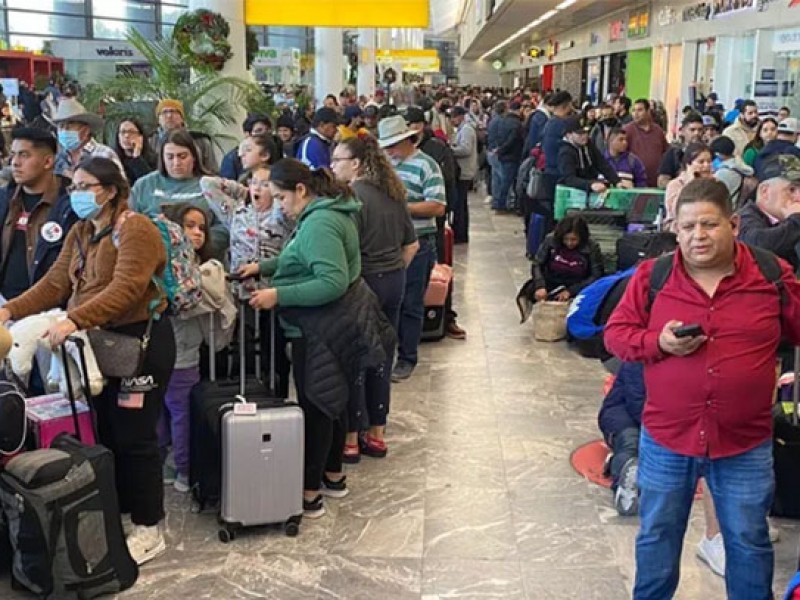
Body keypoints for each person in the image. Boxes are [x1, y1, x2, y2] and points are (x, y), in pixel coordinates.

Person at [605, 177, 800, 599]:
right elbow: (617, 335)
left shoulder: (771, 276)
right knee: (657, 538)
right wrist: (658, 342)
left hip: (744, 442)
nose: (698, 236)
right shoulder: (652, 277)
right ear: (675, 228)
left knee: (749, 541)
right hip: (668, 437)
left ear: (733, 223)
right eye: (688, 226)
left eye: (709, 225)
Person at [0, 157, 176, 566]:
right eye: (74, 186)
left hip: (139, 345)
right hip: (96, 343)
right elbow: (57, 282)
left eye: (86, 185)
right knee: (107, 433)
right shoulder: (81, 231)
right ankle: (123, 514)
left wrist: (74, 318)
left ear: (111, 189)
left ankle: (150, 526)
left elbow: (128, 287)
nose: (77, 193)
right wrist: (11, 312)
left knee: (136, 438)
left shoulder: (136, 229)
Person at [240, 159, 394, 519]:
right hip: (338, 325)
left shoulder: (320, 222)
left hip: (322, 328)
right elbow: (302, 258)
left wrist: (278, 295)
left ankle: (309, 494)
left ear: (301, 191)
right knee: (334, 401)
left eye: (280, 197)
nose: (279, 205)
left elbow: (331, 281)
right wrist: (263, 268)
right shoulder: (327, 213)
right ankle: (333, 475)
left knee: (318, 406)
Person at [330, 135, 418, 463]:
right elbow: (412, 245)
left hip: (363, 284)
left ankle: (351, 439)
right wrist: (393, 271)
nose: (332, 166)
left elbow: (346, 252)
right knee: (382, 358)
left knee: (355, 360)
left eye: (338, 160)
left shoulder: (352, 198)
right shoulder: (394, 195)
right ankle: (377, 434)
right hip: (394, 281)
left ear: (356, 163)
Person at [379, 115, 446, 381]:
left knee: (411, 302)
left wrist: (400, 209)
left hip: (419, 243)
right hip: (388, 243)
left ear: (407, 140)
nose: (390, 151)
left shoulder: (426, 166)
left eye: (393, 145)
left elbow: (438, 206)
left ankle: (407, 357)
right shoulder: (386, 166)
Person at [158, 203, 216, 493]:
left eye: (201, 227)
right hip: (179, 348)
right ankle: (184, 468)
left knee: (168, 407)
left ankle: (172, 462)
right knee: (180, 410)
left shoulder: (191, 263)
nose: (196, 232)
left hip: (176, 345)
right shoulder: (181, 266)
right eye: (189, 225)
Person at [0, 128, 76, 305]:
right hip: (4, 301)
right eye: (13, 155)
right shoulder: (5, 198)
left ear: (48, 161)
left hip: (47, 308)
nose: (15, 163)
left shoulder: (69, 205)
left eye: (24, 155)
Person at [130, 129, 228, 260]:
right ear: (162, 158)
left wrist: (200, 242)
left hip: (202, 259)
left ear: (194, 156)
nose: (176, 163)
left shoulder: (212, 184)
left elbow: (226, 226)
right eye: (170, 157)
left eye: (182, 156)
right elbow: (130, 222)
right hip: (154, 257)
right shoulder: (144, 184)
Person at [515, 214, 603, 322]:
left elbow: (596, 275)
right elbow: (537, 264)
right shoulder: (550, 240)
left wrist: (571, 291)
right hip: (553, 281)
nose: (569, 243)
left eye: (574, 240)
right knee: (530, 289)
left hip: (578, 283)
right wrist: (540, 285)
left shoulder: (592, 246)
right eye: (566, 239)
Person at [737, 154, 800, 269]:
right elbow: (758, 246)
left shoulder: (782, 220)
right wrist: (796, 220)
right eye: (791, 189)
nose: (798, 197)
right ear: (765, 191)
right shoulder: (745, 218)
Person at [52, 98, 123, 179]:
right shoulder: (57, 160)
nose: (64, 132)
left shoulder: (104, 154)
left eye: (69, 127)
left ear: (85, 130)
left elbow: (121, 189)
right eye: (60, 127)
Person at [149, 98, 217, 173]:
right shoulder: (149, 141)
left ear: (182, 117)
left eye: (174, 111)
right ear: (158, 119)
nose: (169, 115)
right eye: (164, 112)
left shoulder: (200, 140)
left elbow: (212, 170)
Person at [557, 117, 622, 193]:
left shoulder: (588, 145)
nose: (584, 136)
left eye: (585, 132)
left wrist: (617, 181)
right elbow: (569, 179)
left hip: (589, 188)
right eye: (580, 134)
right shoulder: (565, 153)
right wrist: (590, 185)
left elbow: (602, 164)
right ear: (569, 135)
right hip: (571, 193)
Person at [664, 143, 714, 229]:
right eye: (701, 162)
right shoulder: (676, 184)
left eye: (709, 161)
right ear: (689, 164)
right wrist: (691, 182)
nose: (706, 165)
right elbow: (675, 210)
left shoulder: (715, 183)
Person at [622, 99, 669, 188]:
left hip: (655, 181)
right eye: (633, 110)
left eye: (640, 110)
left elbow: (665, 152)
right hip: (636, 182)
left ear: (648, 111)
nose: (636, 113)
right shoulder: (627, 130)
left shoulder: (657, 130)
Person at [449, 105, 477, 243]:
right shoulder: (462, 129)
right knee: (460, 203)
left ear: (460, 116)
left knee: (460, 204)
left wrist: (450, 149)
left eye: (453, 117)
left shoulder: (466, 130)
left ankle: (461, 233)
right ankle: (460, 231)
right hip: (462, 170)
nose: (452, 120)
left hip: (464, 171)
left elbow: (466, 149)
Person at [491, 101, 525, 211]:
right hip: (513, 156)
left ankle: (499, 202)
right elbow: (513, 140)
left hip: (502, 155)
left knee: (500, 180)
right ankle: (502, 205)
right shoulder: (517, 124)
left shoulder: (502, 121)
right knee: (507, 182)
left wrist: (499, 149)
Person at [657, 113, 705, 189]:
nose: (697, 133)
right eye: (692, 130)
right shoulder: (673, 153)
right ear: (682, 131)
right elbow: (662, 181)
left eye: (700, 130)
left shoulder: (708, 152)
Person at [219, 114, 273, 181]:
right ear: (247, 134)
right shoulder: (232, 158)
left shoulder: (275, 148)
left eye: (267, 130)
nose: (264, 134)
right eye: (258, 131)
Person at [710, 136, 755, 209]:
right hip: (739, 207)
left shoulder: (722, 173)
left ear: (718, 154)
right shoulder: (741, 166)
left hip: (726, 209)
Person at [113, 118, 157, 185]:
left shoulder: (154, 159)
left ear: (140, 137)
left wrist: (137, 157)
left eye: (131, 132)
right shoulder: (112, 159)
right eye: (123, 132)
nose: (126, 136)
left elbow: (150, 184)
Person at [523, 93, 551, 157]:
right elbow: (542, 137)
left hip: (533, 150)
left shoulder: (537, 114)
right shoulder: (542, 117)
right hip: (536, 153)